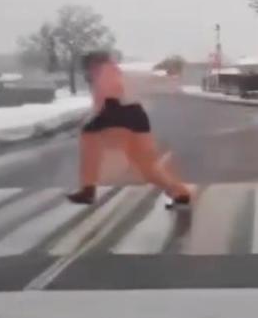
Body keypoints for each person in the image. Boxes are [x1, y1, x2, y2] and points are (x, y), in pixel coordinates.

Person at [67, 51, 192, 208]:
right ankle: (180, 192)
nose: (87, 70)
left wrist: (93, 119)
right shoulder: (114, 71)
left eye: (88, 67)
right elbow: (148, 80)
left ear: (93, 64)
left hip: (118, 112)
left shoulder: (104, 71)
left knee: (89, 139)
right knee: (146, 165)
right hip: (136, 116)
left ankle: (88, 189)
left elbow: (109, 94)